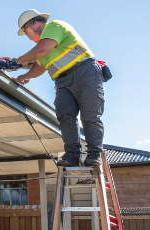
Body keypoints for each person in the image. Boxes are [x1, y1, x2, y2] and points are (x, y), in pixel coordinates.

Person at [11, 9, 104, 167]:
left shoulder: (54, 26)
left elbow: (41, 51)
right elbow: (39, 67)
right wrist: (21, 77)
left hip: (84, 72)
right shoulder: (42, 47)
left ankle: (94, 154)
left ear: (33, 24)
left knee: (90, 116)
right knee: (65, 116)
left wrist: (16, 61)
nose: (26, 35)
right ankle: (72, 155)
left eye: (25, 31)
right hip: (63, 82)